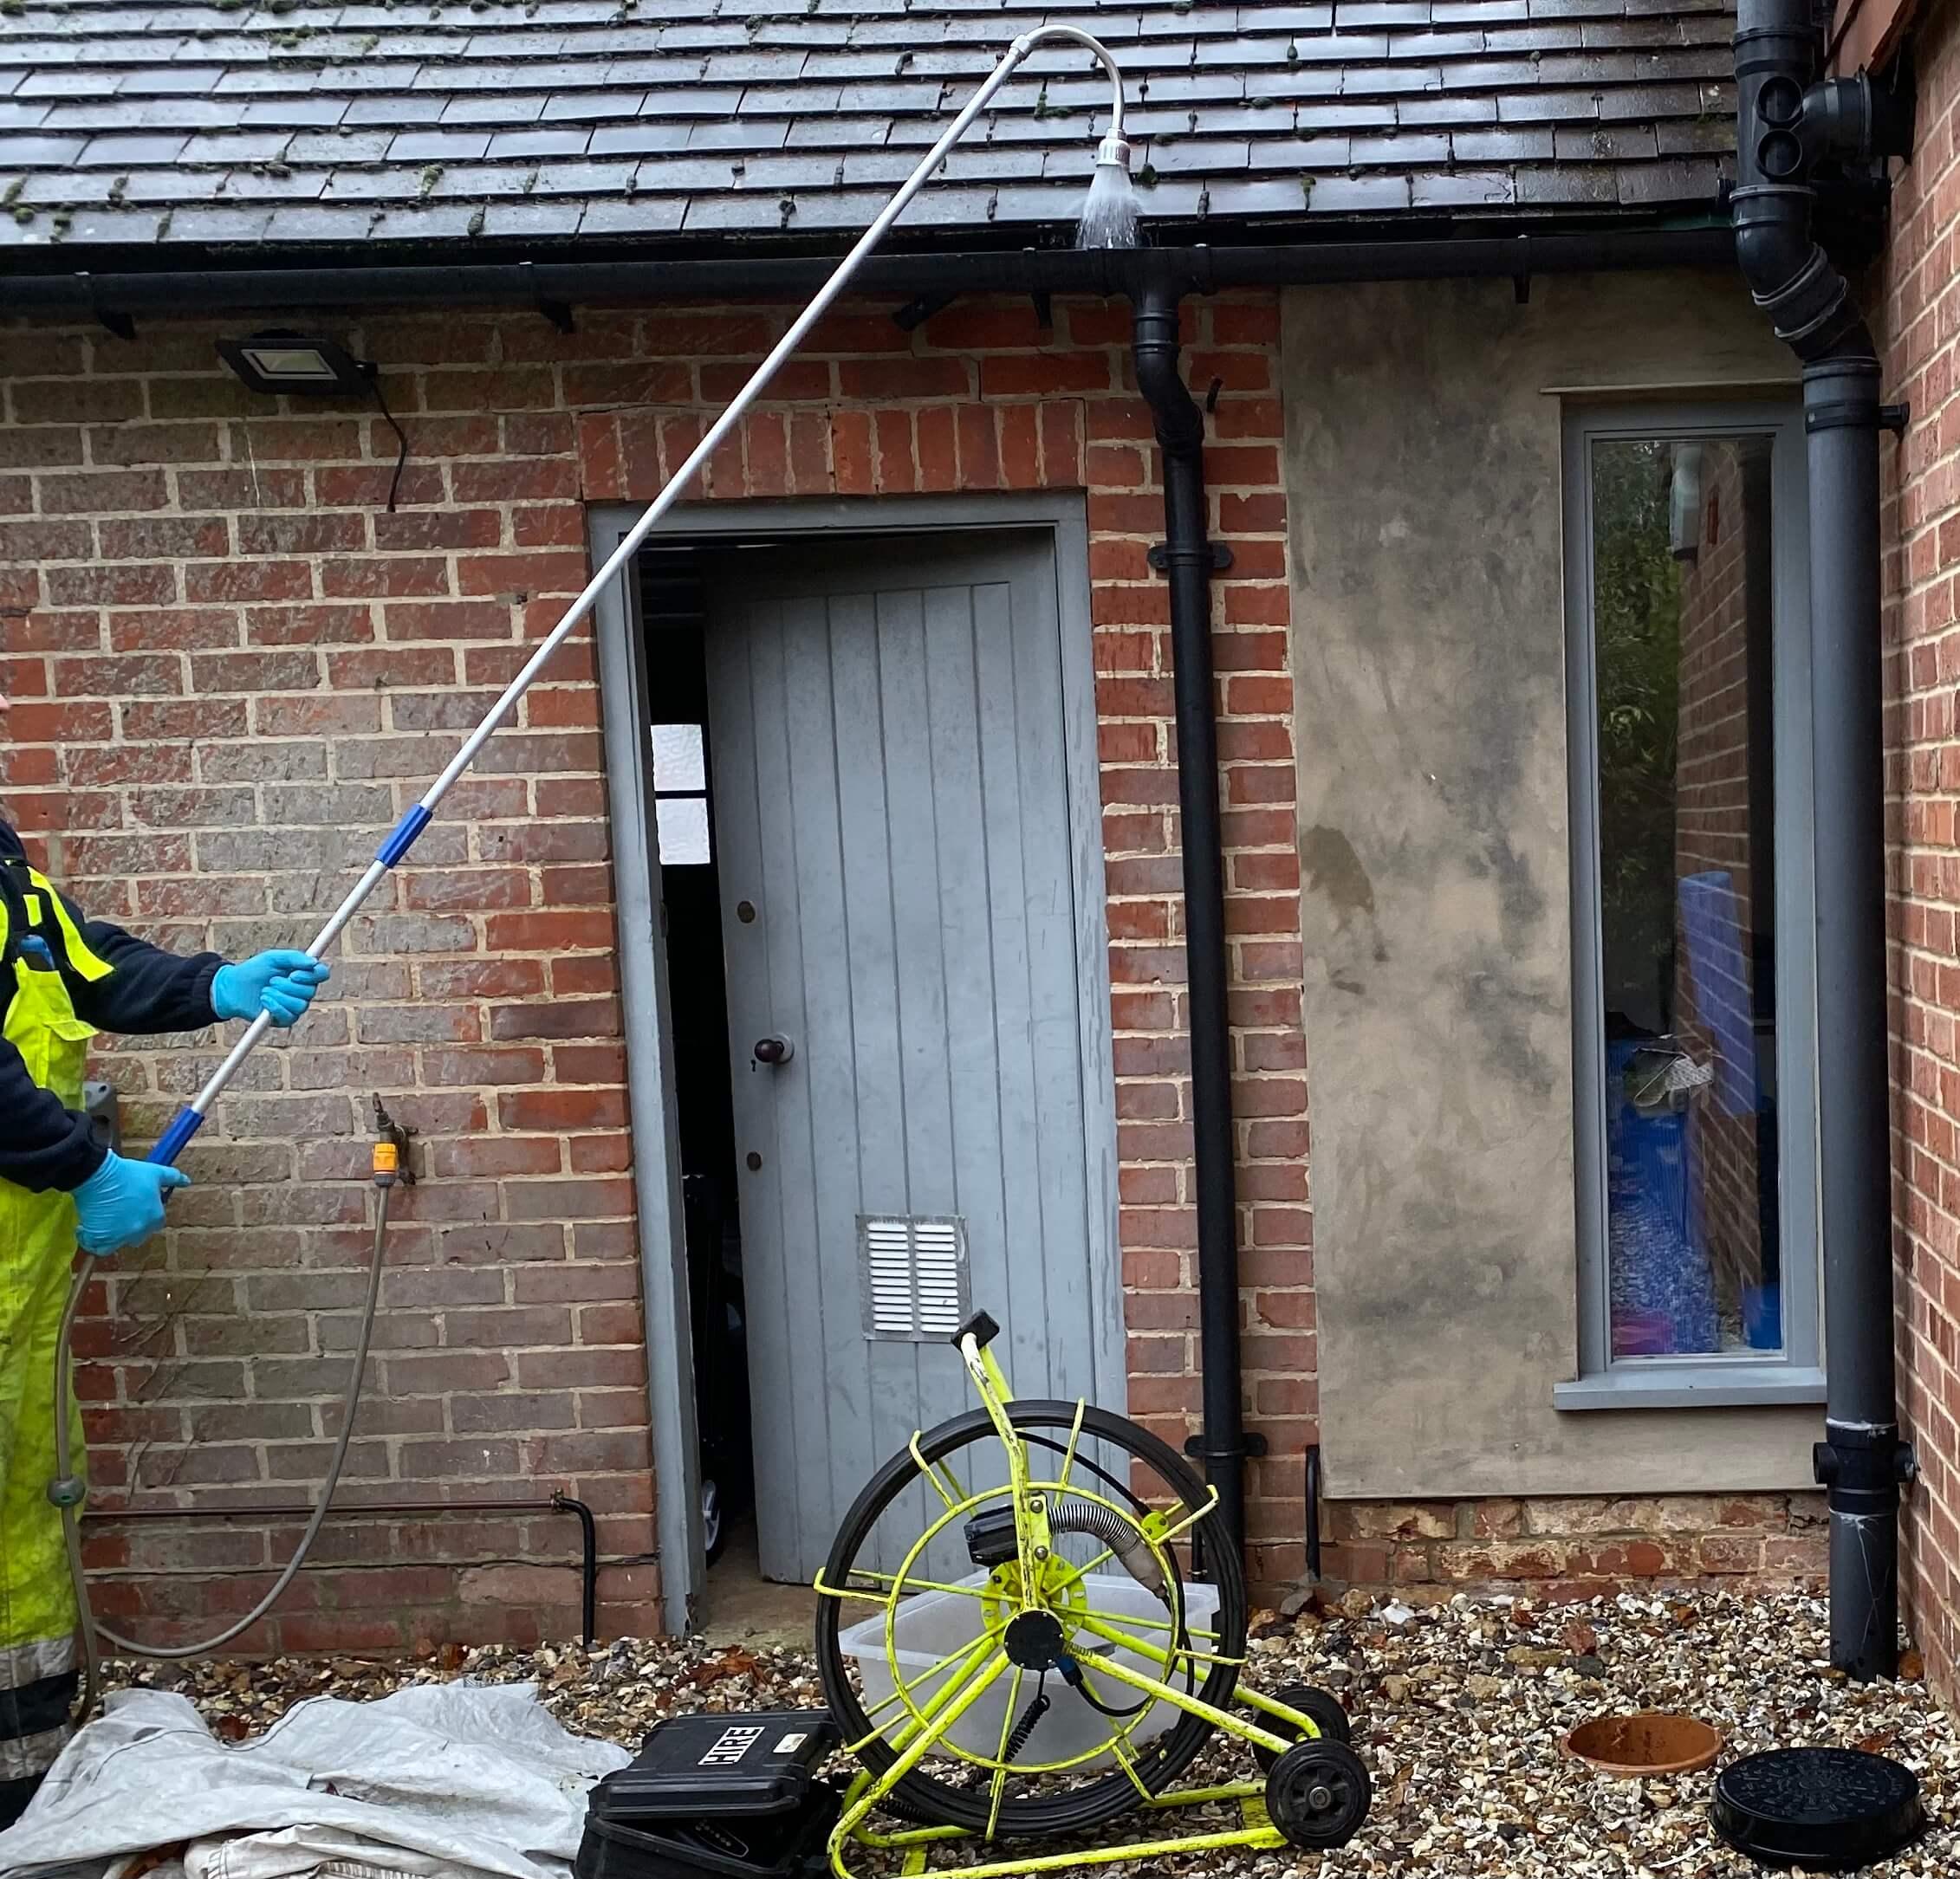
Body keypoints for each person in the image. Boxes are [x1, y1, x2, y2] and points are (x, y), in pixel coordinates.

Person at [0, 696, 329, 1828]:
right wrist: (86, 1167)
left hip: (19, 1293)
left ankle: (26, 1785)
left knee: (25, 1512)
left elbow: (86, 967)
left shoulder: (6, 870)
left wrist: (215, 985)